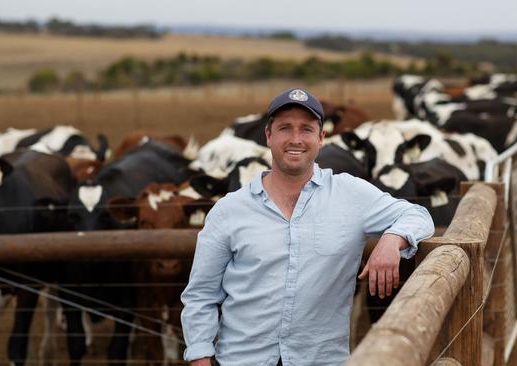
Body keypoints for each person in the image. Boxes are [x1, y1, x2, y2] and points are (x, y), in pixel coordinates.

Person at [181, 88, 434, 366]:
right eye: (285, 128)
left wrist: (392, 239)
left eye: (306, 129)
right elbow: (200, 296)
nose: (295, 139)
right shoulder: (229, 210)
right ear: (268, 136)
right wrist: (200, 358)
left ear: (321, 138)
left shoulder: (350, 194)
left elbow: (419, 215)